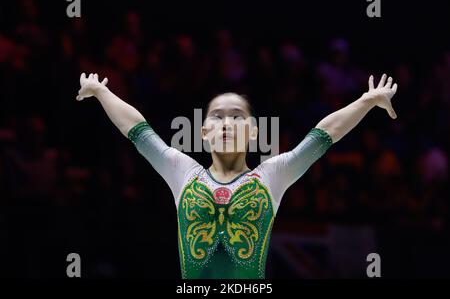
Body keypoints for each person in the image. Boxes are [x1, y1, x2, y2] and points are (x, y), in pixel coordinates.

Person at [75, 73, 398, 278]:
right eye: (217, 117)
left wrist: (366, 101)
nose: (227, 124)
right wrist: (102, 93)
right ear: (203, 132)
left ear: (254, 133)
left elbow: (323, 136)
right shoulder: (183, 172)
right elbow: (137, 131)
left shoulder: (272, 176)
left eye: (237, 117)